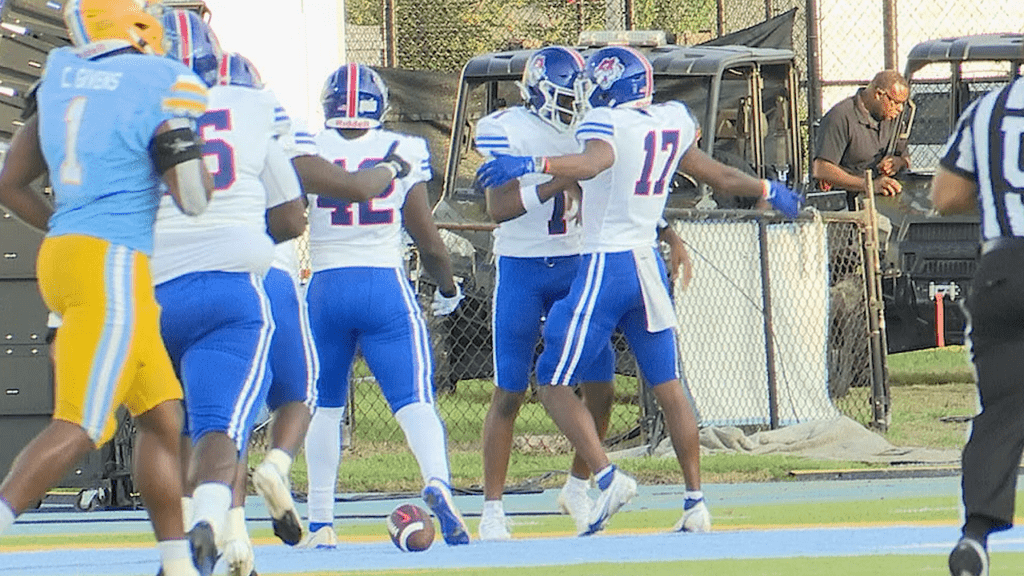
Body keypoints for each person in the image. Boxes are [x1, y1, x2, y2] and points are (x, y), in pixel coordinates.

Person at [477, 45, 801, 536]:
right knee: (666, 386)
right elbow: (717, 174)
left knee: (556, 381)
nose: (579, 99)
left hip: (601, 264)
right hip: (636, 265)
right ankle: (695, 504)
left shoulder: (603, 126)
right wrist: (768, 191)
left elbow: (592, 166)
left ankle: (602, 479)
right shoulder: (669, 120)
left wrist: (533, 165)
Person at [0, 1, 214, 575]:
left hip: (67, 254)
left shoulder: (62, 72)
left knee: (162, 417)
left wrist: (72, 228)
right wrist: (191, 151)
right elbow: (194, 198)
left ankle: (176, 562)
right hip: (114, 260)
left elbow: (11, 183)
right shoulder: (161, 80)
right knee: (85, 422)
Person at [473, 46, 692, 540]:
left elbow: (614, 186)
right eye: (568, 94)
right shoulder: (505, 127)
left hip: (577, 263)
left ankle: (579, 484)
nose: (578, 102)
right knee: (509, 390)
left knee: (602, 387)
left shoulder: (594, 125)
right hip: (523, 269)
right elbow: (499, 209)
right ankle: (492, 509)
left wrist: (666, 231)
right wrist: (559, 179)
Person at [152, 12, 304, 576]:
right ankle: (209, 525)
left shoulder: (134, 105)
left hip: (150, 291)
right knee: (220, 426)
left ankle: (178, 555)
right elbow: (291, 215)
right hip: (229, 288)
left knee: (167, 430)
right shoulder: (255, 105)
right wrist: (240, 233)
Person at [299, 62, 470, 548]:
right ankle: (437, 480)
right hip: (383, 284)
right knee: (414, 401)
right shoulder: (403, 150)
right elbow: (429, 240)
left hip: (326, 286)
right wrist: (448, 287)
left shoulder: (308, 146)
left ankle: (321, 523)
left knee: (325, 409)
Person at [248, 60, 407, 551]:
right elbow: (313, 210)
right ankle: (276, 466)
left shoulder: (175, 121)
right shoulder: (274, 130)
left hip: (185, 275)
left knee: (211, 418)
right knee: (302, 397)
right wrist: (395, 166)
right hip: (267, 275)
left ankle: (219, 523)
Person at [931, 72, 1024, 576]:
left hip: (1002, 269)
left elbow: (945, 195)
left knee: (1002, 411)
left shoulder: (989, 107)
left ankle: (976, 536)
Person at [812, 70, 911, 204]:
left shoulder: (894, 119)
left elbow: (906, 159)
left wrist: (897, 163)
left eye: (903, 104)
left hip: (886, 202)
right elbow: (821, 169)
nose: (900, 109)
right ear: (878, 94)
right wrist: (869, 185)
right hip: (846, 203)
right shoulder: (840, 117)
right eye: (896, 102)